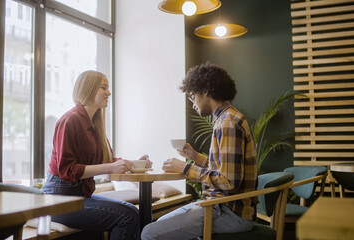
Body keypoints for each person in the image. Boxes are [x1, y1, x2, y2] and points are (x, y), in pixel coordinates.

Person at [141, 62, 257, 240]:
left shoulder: (227, 123)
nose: (193, 103)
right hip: (220, 206)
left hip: (229, 213)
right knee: (157, 225)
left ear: (205, 91)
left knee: (149, 233)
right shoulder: (225, 118)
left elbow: (229, 182)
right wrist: (195, 157)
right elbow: (225, 169)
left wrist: (186, 169)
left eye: (193, 96)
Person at [42, 70, 151, 240]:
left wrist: (135, 163)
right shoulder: (69, 120)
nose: (109, 92)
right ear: (89, 88)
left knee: (132, 212)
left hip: (78, 195)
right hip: (58, 200)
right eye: (104, 87)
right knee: (128, 215)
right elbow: (66, 170)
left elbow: (107, 160)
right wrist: (110, 166)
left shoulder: (95, 124)